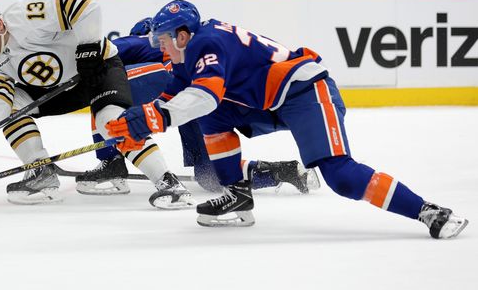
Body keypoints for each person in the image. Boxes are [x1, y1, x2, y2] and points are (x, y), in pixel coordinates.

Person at [104, 0, 468, 239]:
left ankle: (426, 210)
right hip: (269, 101)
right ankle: (237, 196)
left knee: (340, 175)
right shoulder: (189, 53)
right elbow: (174, 97)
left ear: (182, 35)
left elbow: (205, 96)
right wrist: (136, 123)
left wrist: (153, 118)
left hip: (305, 91)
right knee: (210, 119)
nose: (159, 46)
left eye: (163, 39)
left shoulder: (205, 42)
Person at [0, 0, 195, 209]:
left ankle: (167, 182)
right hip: (58, 90)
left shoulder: (24, 16)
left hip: (97, 70)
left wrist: (89, 48)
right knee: (11, 110)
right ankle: (40, 171)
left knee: (110, 123)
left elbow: (85, 6)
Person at [82, 17, 319, 197]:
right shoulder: (194, 48)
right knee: (210, 177)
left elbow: (105, 51)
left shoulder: (142, 40)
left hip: (180, 93)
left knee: (104, 91)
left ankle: (110, 161)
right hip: (197, 104)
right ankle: (282, 171)